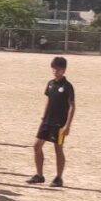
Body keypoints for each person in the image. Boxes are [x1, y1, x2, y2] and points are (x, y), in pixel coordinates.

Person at [28, 56, 75, 187]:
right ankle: (39, 175)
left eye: (58, 68)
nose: (55, 71)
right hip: (46, 122)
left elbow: (72, 106)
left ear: (64, 70)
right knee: (36, 146)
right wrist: (43, 117)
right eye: (53, 68)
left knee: (58, 149)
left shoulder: (67, 86)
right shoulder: (50, 83)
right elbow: (48, 100)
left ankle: (58, 178)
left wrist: (67, 125)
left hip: (59, 124)